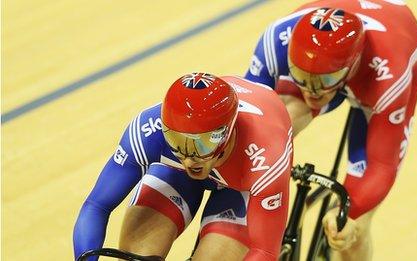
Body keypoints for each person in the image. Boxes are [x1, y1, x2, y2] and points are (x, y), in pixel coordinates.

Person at [244, 1, 417, 260]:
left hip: (391, 54)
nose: (311, 90)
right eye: (300, 75)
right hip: (330, 61)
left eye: (323, 82)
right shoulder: (275, 41)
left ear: (353, 65)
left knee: (350, 232)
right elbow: (249, 123)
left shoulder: (390, 77)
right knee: (270, 130)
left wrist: (349, 212)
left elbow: (381, 166)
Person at [73, 72, 294, 260]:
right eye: (177, 142)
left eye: (202, 144)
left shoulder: (266, 158)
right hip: (176, 175)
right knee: (136, 253)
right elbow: (96, 206)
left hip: (242, 187)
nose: (189, 159)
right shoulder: (147, 131)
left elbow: (264, 251)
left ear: (226, 132)